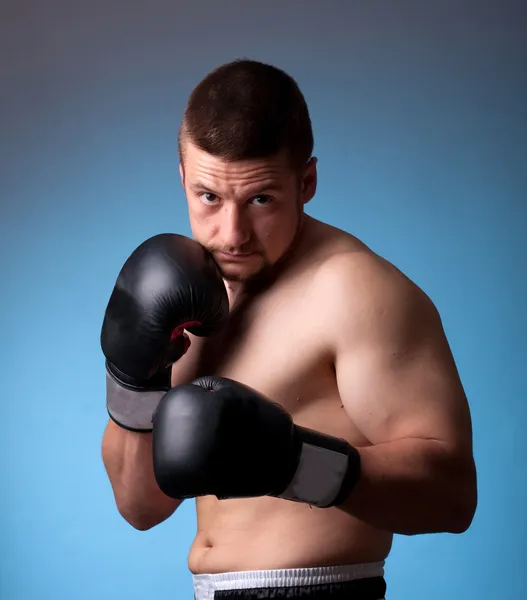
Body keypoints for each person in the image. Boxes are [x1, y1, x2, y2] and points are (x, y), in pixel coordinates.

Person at [100, 59, 478, 599]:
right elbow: (140, 507)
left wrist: (296, 463)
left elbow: (454, 497)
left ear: (307, 182)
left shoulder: (354, 291)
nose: (232, 234)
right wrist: (131, 381)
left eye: (260, 200)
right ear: (183, 177)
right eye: (209, 197)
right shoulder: (181, 294)